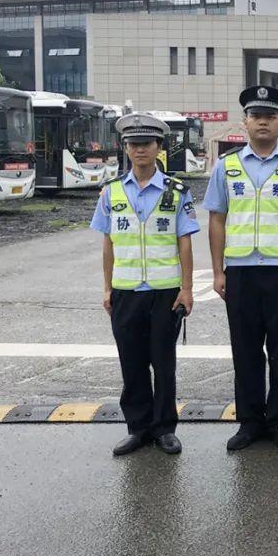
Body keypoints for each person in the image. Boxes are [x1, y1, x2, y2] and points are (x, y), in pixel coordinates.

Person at [204, 85, 278, 452]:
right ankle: (250, 422)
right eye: (256, 116)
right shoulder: (226, 167)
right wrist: (218, 271)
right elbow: (217, 220)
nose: (262, 122)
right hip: (240, 272)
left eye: (270, 117)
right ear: (245, 121)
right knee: (245, 350)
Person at [90, 113, 198, 456]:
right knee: (132, 364)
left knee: (163, 364)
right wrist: (107, 288)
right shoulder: (111, 193)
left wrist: (187, 288)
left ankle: (165, 429)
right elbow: (108, 243)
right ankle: (138, 429)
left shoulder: (176, 191)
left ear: (159, 148)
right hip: (125, 292)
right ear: (125, 148)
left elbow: (185, 242)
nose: (140, 150)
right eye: (133, 144)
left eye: (146, 144)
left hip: (165, 292)